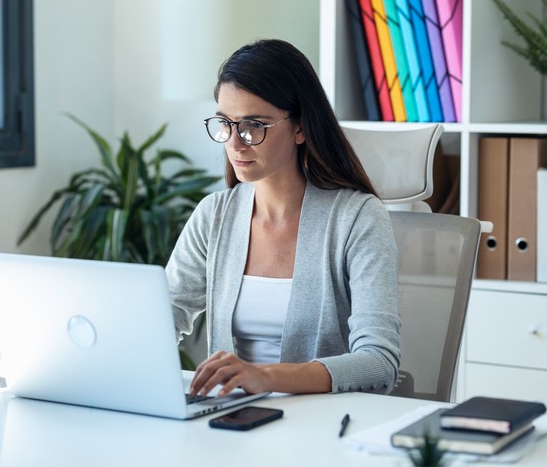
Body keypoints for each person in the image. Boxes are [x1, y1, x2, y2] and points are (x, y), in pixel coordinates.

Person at [165, 39, 400, 398]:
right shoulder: (214, 215)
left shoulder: (358, 218)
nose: (235, 143)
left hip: (321, 429)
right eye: (225, 123)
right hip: (232, 424)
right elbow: (166, 313)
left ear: (300, 128)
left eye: (254, 125)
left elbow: (379, 362)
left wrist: (265, 377)